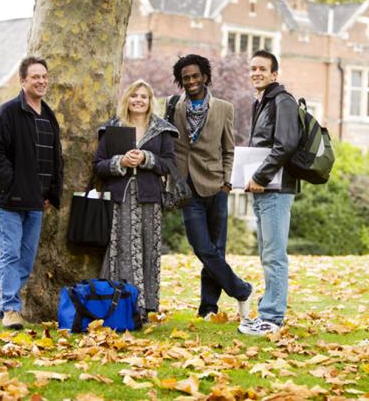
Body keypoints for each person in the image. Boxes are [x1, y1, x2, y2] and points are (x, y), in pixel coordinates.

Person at [0, 56, 63, 330]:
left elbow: (52, 158)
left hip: (37, 202)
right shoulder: (8, 113)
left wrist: (50, 192)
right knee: (10, 255)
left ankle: (11, 303)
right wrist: (12, 180)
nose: (41, 81)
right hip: (10, 201)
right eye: (35, 77)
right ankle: (11, 309)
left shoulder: (48, 117)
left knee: (25, 259)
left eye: (44, 76)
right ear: (23, 81)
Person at [171, 54, 252, 320]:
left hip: (216, 185)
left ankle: (208, 307)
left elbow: (229, 148)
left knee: (215, 249)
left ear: (205, 76)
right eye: (186, 78)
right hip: (187, 187)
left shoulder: (223, 108)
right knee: (202, 247)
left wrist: (227, 182)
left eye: (195, 76)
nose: (192, 81)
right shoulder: (174, 107)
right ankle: (241, 289)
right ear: (181, 82)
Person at [94, 79, 178, 324]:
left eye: (144, 96)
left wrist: (146, 158)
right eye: (134, 96)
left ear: (150, 101)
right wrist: (120, 162)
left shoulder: (162, 130)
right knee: (120, 250)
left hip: (149, 199)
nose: (139, 100)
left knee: (146, 250)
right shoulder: (113, 128)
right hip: (119, 200)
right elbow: (98, 165)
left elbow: (169, 164)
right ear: (127, 99)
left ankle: (145, 305)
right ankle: (118, 305)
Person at [238, 50, 301, 336]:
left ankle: (272, 317)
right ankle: (269, 311)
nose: (256, 72)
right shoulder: (261, 103)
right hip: (263, 188)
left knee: (275, 255)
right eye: (253, 68)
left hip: (276, 188)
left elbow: (285, 145)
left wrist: (259, 176)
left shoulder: (282, 101)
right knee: (267, 254)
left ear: (274, 74)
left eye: (262, 68)